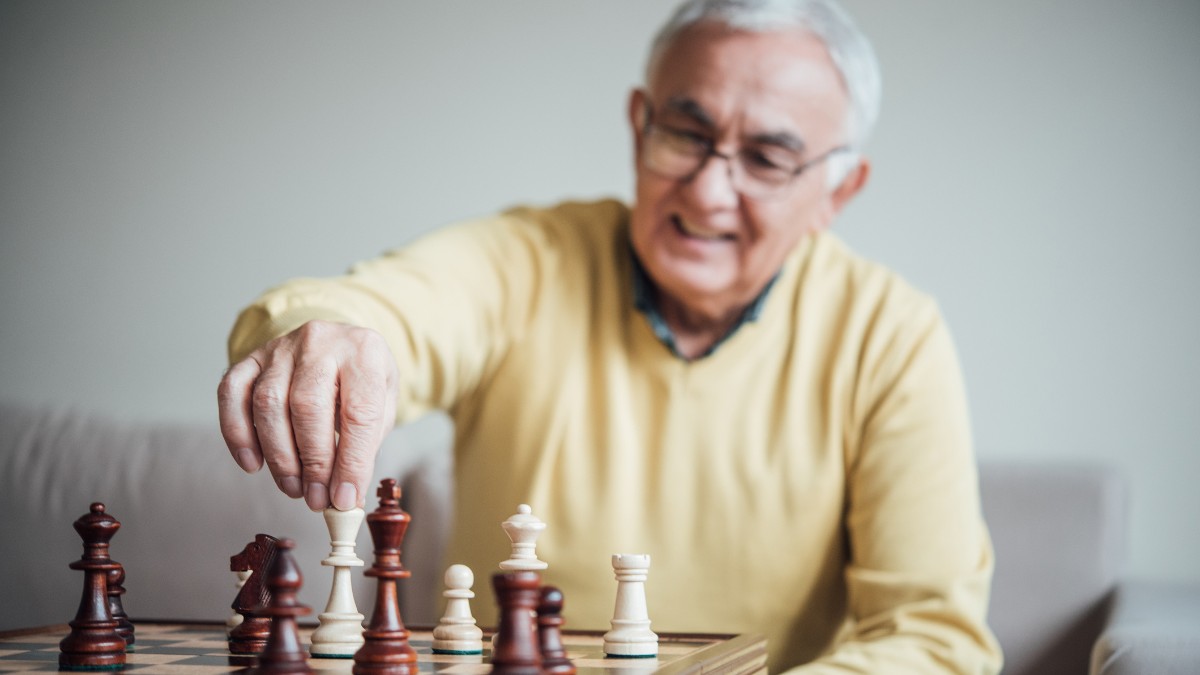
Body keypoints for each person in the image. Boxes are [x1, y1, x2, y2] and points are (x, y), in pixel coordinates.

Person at [217, 0, 1002, 672]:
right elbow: (359, 308)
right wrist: (319, 334)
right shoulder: (527, 263)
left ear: (838, 189)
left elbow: (934, 639)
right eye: (685, 135)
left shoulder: (890, 335)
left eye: (765, 157)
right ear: (637, 127)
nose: (709, 188)